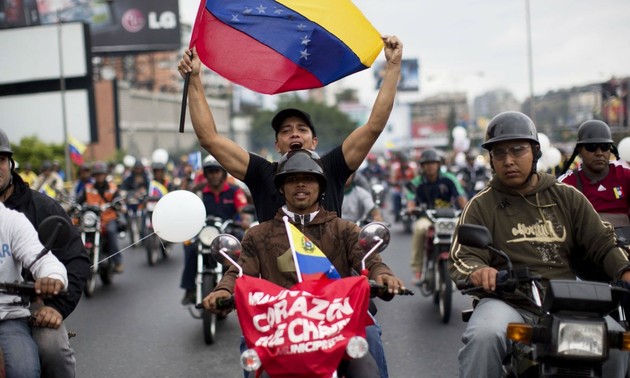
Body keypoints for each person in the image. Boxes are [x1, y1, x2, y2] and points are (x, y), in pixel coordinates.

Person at [448, 111, 630, 378]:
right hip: (508, 301)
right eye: (499, 153)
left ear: (535, 152)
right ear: (491, 159)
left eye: (517, 150)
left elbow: (603, 242)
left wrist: (625, 269)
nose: (508, 161)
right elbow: (463, 255)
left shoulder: (567, 196)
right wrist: (478, 271)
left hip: (566, 302)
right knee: (483, 337)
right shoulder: (481, 204)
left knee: (616, 341)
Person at [202, 149, 407, 377]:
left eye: (308, 179)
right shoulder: (258, 235)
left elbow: (370, 261)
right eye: (292, 180)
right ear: (281, 187)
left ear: (320, 186)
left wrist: (383, 275)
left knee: (369, 347)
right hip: (279, 327)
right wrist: (222, 290)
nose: (300, 185)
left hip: (338, 323)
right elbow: (238, 272)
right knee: (252, 357)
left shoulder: (345, 229)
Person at [177, 35, 402, 223]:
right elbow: (210, 139)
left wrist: (392, 67)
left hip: (330, 275)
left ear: (314, 141)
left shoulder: (332, 168)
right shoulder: (261, 173)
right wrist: (195, 79)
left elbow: (374, 126)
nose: (294, 133)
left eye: (302, 129)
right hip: (274, 276)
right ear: (277, 145)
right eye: (285, 131)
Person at [0, 128, 89, 378]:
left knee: (52, 351)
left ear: (10, 164)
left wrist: (55, 306)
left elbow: (72, 259)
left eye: (0, 160)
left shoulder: (34, 210)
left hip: (29, 306)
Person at [0, 201, 68, 378]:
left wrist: (52, 277)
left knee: (24, 371)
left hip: (7, 317)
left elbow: (43, 259)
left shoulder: (11, 221)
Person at [180, 157, 249, 305]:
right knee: (190, 247)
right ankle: (189, 289)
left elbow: (243, 212)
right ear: (205, 174)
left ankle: (244, 286)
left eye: (216, 171)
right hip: (205, 232)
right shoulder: (199, 192)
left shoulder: (235, 191)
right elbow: (186, 205)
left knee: (244, 244)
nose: (213, 175)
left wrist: (244, 221)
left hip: (228, 231)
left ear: (223, 173)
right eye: (210, 172)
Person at [558, 120, 630, 228]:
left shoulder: (625, 175)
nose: (599, 153)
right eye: (592, 147)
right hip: (585, 243)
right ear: (580, 150)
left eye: (605, 147)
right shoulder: (566, 184)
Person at [410, 149, 467, 285]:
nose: (430, 166)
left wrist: (467, 210)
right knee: (419, 229)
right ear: (422, 166)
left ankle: (465, 265)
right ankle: (417, 270)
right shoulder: (416, 181)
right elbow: (410, 199)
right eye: (427, 163)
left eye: (433, 163)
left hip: (449, 216)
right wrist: (411, 209)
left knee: (464, 229)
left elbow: (460, 197)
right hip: (427, 217)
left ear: (438, 164)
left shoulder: (450, 178)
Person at [78, 161, 125, 273]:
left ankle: (118, 262)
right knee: (77, 232)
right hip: (92, 219)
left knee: (111, 232)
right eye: (97, 174)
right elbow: (79, 201)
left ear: (105, 175)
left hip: (108, 218)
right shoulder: (88, 187)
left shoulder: (112, 187)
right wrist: (74, 206)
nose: (99, 176)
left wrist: (118, 205)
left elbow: (119, 201)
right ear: (94, 176)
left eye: (101, 174)